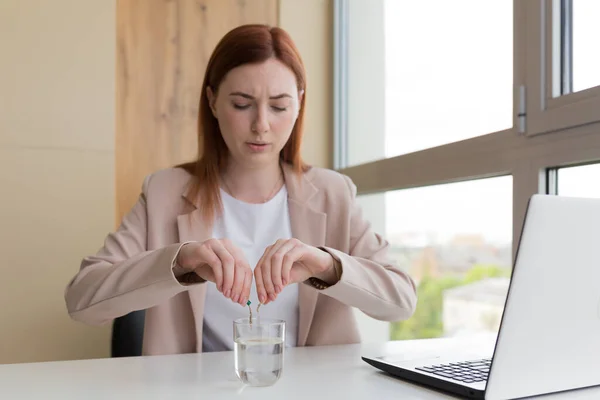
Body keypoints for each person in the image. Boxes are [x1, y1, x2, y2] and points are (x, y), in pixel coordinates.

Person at [64, 24, 417, 355]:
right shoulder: (164, 192)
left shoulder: (332, 192)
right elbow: (81, 301)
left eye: (279, 106)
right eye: (242, 104)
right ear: (213, 101)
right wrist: (180, 261)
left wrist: (326, 266)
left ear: (299, 104)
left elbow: (401, 300)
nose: (261, 125)